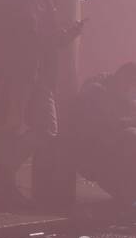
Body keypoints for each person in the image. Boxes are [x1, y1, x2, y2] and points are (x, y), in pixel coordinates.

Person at [0, 0, 83, 209]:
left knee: (29, 129)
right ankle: (4, 182)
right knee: (19, 128)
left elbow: (42, 36)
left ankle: (2, 179)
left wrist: (66, 36)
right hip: (14, 72)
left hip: (35, 72)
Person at [58, 63, 136, 205]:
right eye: (131, 85)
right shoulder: (96, 91)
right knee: (131, 136)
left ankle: (128, 196)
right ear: (123, 78)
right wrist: (128, 122)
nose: (131, 90)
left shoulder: (119, 94)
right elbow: (105, 130)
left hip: (108, 155)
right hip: (93, 156)